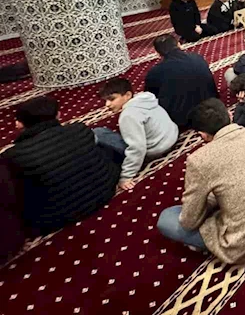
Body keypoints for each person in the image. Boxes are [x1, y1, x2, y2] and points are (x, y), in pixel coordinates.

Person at [157, 99, 245, 263]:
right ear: (230, 115)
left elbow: (190, 221)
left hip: (242, 244)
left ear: (203, 135)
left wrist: (206, 202)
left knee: (166, 218)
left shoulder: (199, 160)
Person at [6, 96, 120, 235]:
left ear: (19, 124)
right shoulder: (80, 129)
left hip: (56, 218)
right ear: (58, 115)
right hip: (105, 190)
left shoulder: (14, 156)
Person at [94, 78, 179, 191]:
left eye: (112, 99)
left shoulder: (128, 115)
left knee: (99, 133)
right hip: (171, 137)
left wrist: (125, 176)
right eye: (105, 100)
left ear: (128, 95)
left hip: (154, 149)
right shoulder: (145, 99)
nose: (107, 105)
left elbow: (137, 148)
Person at [145, 34, 218, 128]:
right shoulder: (197, 57)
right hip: (211, 108)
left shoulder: (155, 72)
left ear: (158, 53)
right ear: (179, 44)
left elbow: (150, 97)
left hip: (180, 120)